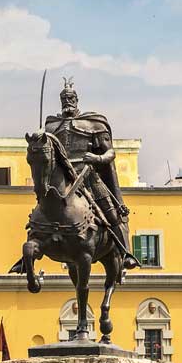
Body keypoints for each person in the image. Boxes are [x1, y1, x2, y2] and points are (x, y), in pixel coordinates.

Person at [43, 79, 140, 270]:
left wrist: (96, 159)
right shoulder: (51, 127)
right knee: (41, 211)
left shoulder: (94, 123)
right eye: (63, 99)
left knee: (113, 214)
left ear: (77, 99)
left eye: (70, 98)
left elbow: (110, 153)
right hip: (62, 180)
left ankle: (126, 252)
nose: (67, 102)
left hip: (88, 176)